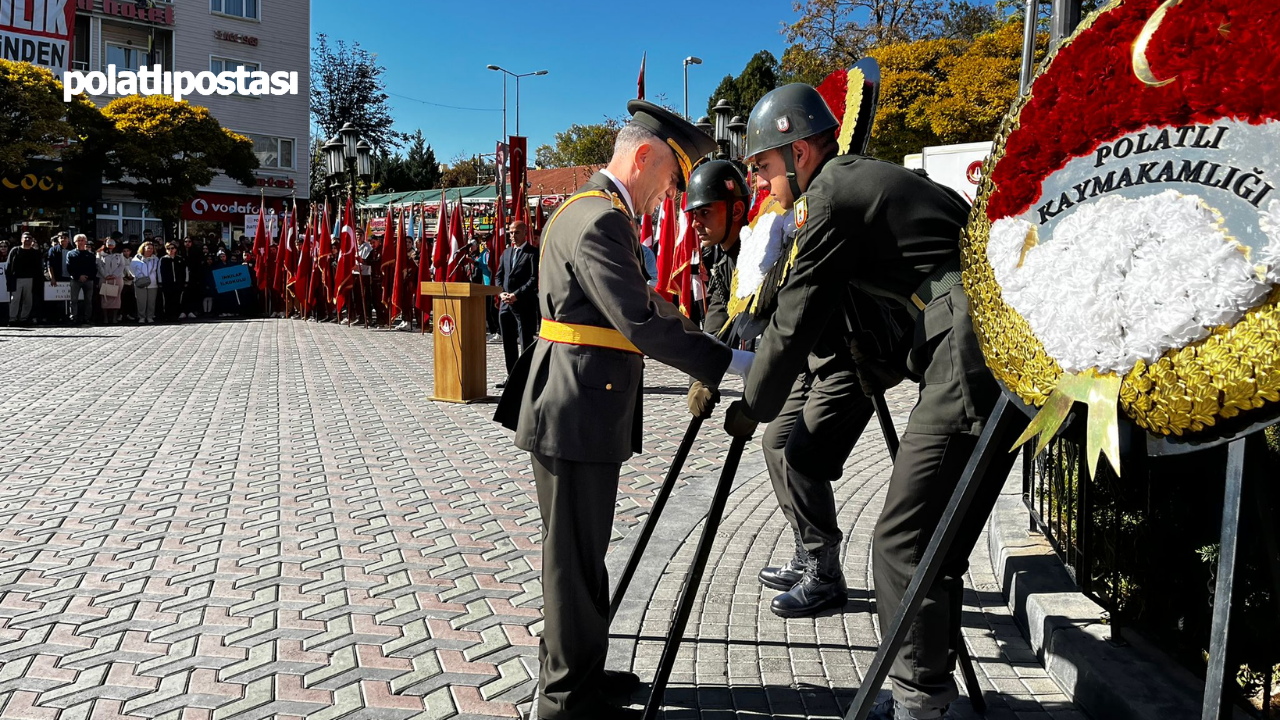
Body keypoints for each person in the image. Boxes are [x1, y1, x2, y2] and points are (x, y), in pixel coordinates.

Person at [725, 83, 1013, 720]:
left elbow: (795, 319)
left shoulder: (826, 199)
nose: (762, 184)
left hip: (966, 350)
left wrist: (753, 403)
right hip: (969, 339)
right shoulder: (862, 181)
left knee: (902, 543)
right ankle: (927, 688)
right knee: (930, 540)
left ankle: (919, 705)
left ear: (799, 151)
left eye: (765, 166)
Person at [495, 100, 753, 720]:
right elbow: (638, 321)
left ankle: (581, 671)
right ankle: (565, 698)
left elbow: (643, 305)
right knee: (572, 560)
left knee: (584, 554)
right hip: (576, 410)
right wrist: (732, 366)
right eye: (668, 179)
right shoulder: (600, 221)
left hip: (579, 406)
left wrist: (714, 349)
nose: (669, 196)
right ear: (642, 157)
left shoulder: (588, 212)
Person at [684, 160, 750, 337]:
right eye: (694, 215)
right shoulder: (725, 266)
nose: (694, 224)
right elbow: (714, 334)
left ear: (736, 211)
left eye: (705, 212)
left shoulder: (761, 259)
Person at [494, 220, 539, 382]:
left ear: (525, 233)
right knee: (508, 343)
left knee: (525, 343)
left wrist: (516, 295)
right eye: (511, 233)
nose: (513, 236)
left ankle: (526, 380)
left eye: (516, 233)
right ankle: (511, 378)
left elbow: (534, 279)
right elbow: (499, 276)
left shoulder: (533, 253)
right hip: (505, 306)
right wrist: (502, 294)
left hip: (523, 305)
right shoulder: (506, 253)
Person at [6, 232, 44, 325]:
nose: (27, 239)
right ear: (21, 239)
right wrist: (9, 278)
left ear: (32, 240)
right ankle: (12, 319)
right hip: (16, 279)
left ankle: (24, 318)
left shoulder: (35, 253)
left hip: (30, 279)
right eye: (25, 238)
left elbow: (39, 268)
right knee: (15, 299)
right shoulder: (15, 250)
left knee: (28, 300)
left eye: (29, 238)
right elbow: (8, 265)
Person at [65, 234, 97, 325]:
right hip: (75, 280)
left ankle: (87, 318)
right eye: (78, 240)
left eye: (82, 240)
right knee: (73, 300)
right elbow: (69, 267)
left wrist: (87, 276)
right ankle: (73, 317)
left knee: (88, 300)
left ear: (86, 242)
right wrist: (78, 276)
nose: (80, 242)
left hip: (89, 280)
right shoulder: (71, 254)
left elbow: (93, 268)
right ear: (75, 242)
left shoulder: (90, 255)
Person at [97, 238, 128, 324]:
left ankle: (114, 317)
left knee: (116, 298)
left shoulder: (119, 254)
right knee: (104, 297)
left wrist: (115, 274)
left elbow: (122, 265)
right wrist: (106, 275)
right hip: (104, 278)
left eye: (112, 242)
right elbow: (99, 265)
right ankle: (106, 318)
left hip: (117, 278)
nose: (110, 244)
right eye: (108, 242)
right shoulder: (100, 253)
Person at [131, 241, 161, 324]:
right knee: (141, 301)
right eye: (148, 248)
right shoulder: (136, 258)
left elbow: (158, 271)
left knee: (151, 302)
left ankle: (150, 316)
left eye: (152, 248)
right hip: (140, 283)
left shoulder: (156, 259)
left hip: (152, 283)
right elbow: (132, 270)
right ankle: (141, 317)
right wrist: (140, 276)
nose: (150, 250)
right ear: (143, 249)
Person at [159, 242, 186, 322]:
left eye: (172, 248)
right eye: (168, 248)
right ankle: (168, 315)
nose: (171, 250)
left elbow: (185, 270)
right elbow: (159, 271)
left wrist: (185, 281)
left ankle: (175, 315)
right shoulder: (163, 259)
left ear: (175, 249)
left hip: (178, 283)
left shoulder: (180, 259)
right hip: (167, 283)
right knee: (168, 299)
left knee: (177, 299)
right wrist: (160, 282)